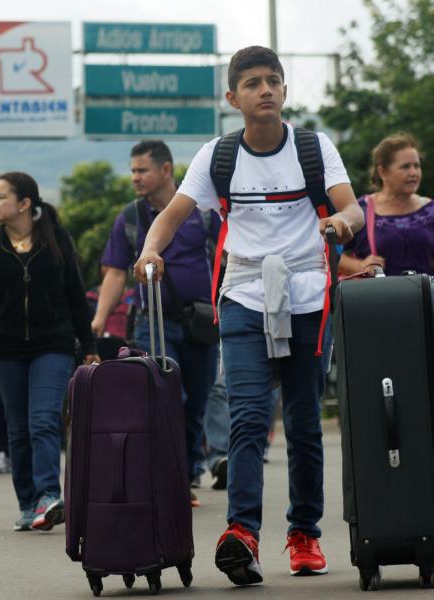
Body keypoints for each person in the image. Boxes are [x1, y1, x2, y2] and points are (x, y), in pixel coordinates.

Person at [134, 46, 364, 585]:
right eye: (254, 83)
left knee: (304, 421)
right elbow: (170, 217)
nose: (266, 90)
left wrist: (340, 224)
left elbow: (351, 206)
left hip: (308, 293)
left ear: (285, 91)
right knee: (248, 418)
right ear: (232, 97)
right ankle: (242, 534)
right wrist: (150, 251)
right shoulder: (218, 156)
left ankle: (304, 534)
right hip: (242, 294)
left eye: (274, 81)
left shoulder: (313, 147)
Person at [0, 172, 98, 532]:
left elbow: (76, 295)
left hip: (52, 343)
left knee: (43, 421)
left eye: (1, 197)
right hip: (5, 349)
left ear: (24, 204)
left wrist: (90, 346)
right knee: (18, 431)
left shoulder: (57, 240)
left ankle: (48, 495)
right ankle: (28, 503)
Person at [92, 140, 219, 507]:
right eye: (132, 170)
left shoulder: (204, 212)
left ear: (166, 170)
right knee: (165, 394)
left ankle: (186, 474)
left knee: (195, 403)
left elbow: (225, 258)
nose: (135, 177)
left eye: (142, 170)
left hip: (202, 322)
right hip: (152, 321)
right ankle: (166, 477)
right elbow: (116, 272)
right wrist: (99, 321)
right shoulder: (130, 217)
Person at [339, 133, 434, 278]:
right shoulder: (361, 209)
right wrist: (359, 266)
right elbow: (332, 257)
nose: (413, 173)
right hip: (379, 299)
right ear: (382, 171)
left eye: (417, 166)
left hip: (425, 298)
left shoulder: (430, 210)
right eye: (405, 167)